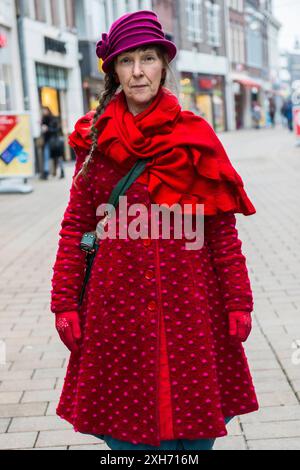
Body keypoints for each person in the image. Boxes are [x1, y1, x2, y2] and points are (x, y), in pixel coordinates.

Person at [50, 10, 259, 451]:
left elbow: (221, 232)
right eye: (127, 61)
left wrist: (238, 300)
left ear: (164, 65)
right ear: (113, 70)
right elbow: (76, 228)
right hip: (116, 310)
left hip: (191, 309)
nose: (138, 71)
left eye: (148, 58)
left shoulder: (195, 137)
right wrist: (64, 302)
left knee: (193, 437)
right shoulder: (95, 140)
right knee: (126, 440)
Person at [40, 107, 62, 180]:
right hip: (47, 141)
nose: (43, 112)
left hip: (54, 141)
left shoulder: (53, 119)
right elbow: (43, 131)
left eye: (44, 110)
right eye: (43, 111)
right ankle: (46, 173)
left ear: (48, 111)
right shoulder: (43, 120)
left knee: (58, 157)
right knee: (46, 157)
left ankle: (62, 171)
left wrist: (48, 129)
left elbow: (57, 129)